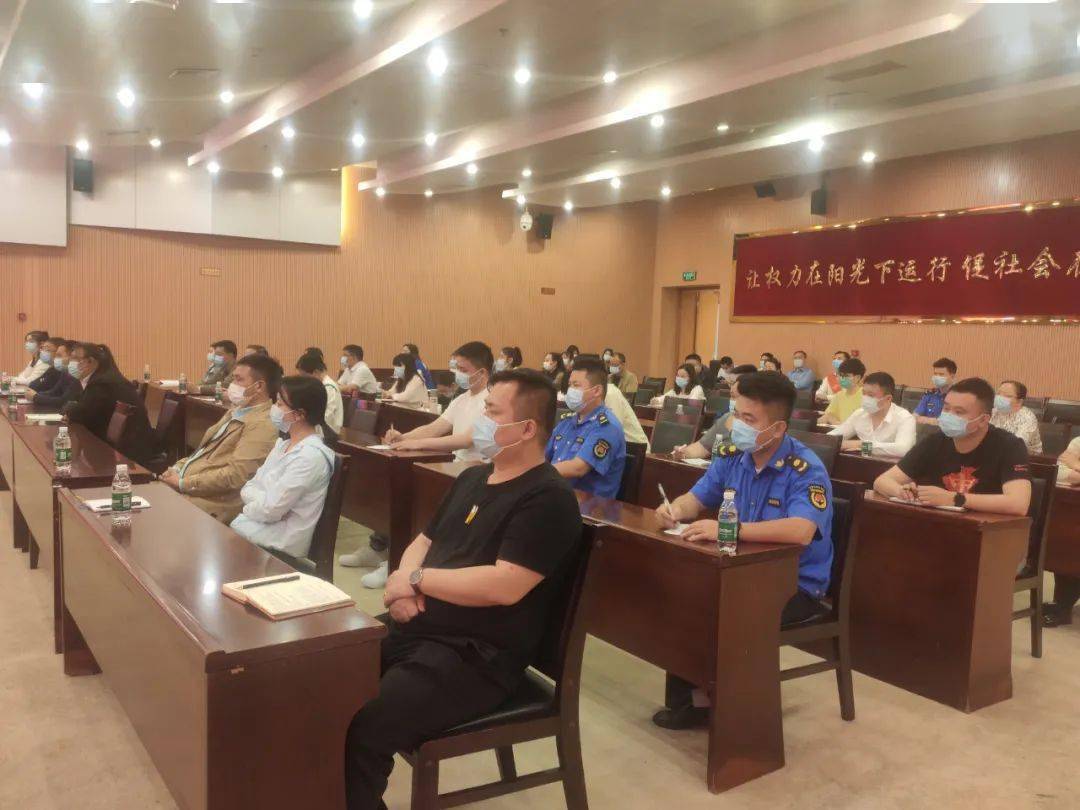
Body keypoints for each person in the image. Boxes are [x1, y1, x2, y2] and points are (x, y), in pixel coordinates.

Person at [344, 368, 582, 810]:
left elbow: (504, 585)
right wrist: (403, 589)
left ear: (527, 429)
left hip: (475, 655)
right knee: (324, 680)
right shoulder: (474, 478)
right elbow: (424, 541)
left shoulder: (548, 498)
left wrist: (415, 581)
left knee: (366, 726)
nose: (481, 422)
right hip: (419, 628)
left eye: (492, 412)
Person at [653, 371, 834, 729]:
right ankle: (694, 701)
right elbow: (697, 497)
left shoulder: (805, 469)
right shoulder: (733, 455)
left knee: (720, 608)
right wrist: (674, 509)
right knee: (682, 594)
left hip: (792, 585)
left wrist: (728, 530)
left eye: (749, 419)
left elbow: (801, 531)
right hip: (738, 572)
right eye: (736, 414)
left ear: (778, 428)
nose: (738, 425)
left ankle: (730, 709)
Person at [343, 343, 494, 582]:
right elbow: (435, 427)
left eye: (463, 369)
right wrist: (404, 437)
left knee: (420, 501)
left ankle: (402, 561)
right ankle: (380, 548)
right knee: (397, 486)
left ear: (482, 372)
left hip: (475, 471)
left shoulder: (491, 400)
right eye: (456, 368)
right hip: (453, 467)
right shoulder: (462, 399)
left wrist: (417, 444)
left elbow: (467, 439)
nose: (457, 374)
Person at [874, 377, 1031, 517]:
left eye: (959, 412)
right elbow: (882, 481)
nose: (949, 416)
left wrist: (955, 499)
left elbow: (1018, 504)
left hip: (984, 531)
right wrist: (902, 492)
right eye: (946, 409)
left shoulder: (1010, 446)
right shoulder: (934, 441)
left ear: (983, 420)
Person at [160, 354, 283, 524]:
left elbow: (236, 476)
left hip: (214, 504)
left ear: (259, 386)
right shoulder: (236, 411)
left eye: (239, 380)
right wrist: (177, 468)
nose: (232, 386)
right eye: (233, 379)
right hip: (193, 489)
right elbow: (202, 452)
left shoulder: (263, 424)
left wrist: (183, 483)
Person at [230, 376, 338, 560]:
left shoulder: (310, 457)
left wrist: (253, 506)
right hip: (254, 529)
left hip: (279, 545)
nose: (274, 408)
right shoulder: (283, 444)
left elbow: (270, 510)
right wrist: (264, 502)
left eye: (280, 404)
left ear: (299, 414)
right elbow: (250, 487)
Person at [545, 356, 626, 498]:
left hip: (590, 506)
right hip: (557, 495)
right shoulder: (567, 421)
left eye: (576, 385)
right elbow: (543, 455)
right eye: (570, 385)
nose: (570, 390)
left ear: (597, 391)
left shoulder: (607, 427)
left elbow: (578, 468)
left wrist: (536, 474)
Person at [63, 343, 154, 464]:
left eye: (75, 358)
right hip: (123, 444)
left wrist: (69, 409)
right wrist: (71, 408)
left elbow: (82, 413)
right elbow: (79, 406)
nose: (71, 362)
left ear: (91, 361)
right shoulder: (102, 379)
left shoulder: (103, 384)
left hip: (130, 451)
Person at [672, 365, 757, 460]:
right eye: (732, 396)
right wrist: (684, 452)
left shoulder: (760, 426)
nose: (732, 387)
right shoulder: (727, 418)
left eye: (737, 396)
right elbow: (702, 447)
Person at [827, 372, 916, 458]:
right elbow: (830, 438)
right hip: (861, 463)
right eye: (863, 393)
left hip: (890, 466)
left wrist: (861, 445)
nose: (865, 398)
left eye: (870, 395)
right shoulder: (859, 414)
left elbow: (903, 450)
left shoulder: (905, 418)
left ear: (888, 398)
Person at [1044, 434, 1080, 627]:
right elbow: (1058, 472)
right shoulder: (1078, 442)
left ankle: (1063, 606)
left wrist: (1076, 465)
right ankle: (1063, 605)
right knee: (1067, 538)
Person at [295, 351, 344, 434]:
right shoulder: (317, 386)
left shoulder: (329, 387)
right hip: (316, 429)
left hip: (328, 432)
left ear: (316, 372)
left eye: (305, 376)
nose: (304, 380)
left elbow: (327, 416)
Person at [25, 339, 82, 409]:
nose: (55, 358)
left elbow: (63, 401)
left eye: (59, 355)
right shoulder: (66, 374)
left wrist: (35, 397)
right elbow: (54, 392)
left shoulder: (77, 377)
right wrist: (35, 395)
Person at [990, 380, 1042, 453]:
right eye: (998, 394)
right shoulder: (993, 412)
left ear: (1019, 402)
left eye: (1007, 396)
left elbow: (1017, 445)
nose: (1000, 398)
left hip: (1026, 457)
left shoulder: (1027, 417)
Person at [819, 357, 865, 426]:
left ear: (857, 377)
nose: (842, 379)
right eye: (841, 375)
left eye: (846, 376)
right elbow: (827, 416)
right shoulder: (839, 395)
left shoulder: (865, 396)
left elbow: (859, 426)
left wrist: (835, 422)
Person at [914, 357, 957, 425]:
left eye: (941, 374)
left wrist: (925, 420)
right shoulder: (930, 394)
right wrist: (933, 421)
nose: (937, 377)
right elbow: (915, 416)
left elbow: (950, 423)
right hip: (926, 430)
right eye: (935, 374)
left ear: (952, 376)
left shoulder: (958, 396)